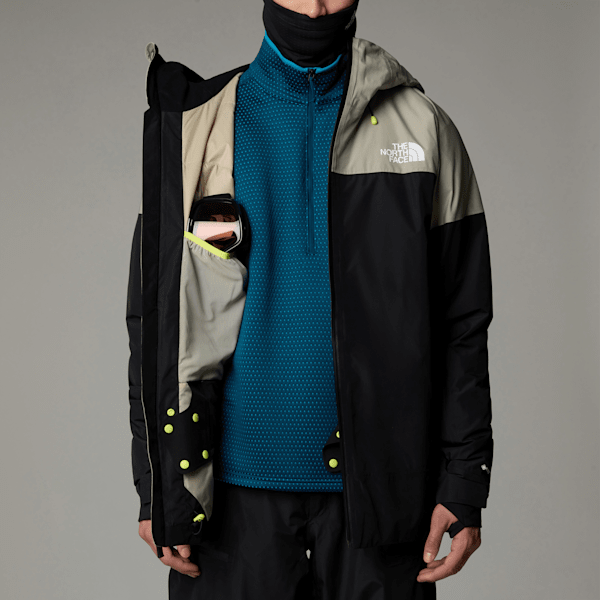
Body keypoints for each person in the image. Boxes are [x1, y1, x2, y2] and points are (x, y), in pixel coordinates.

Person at [126, 0, 494, 598]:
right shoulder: (195, 127)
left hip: (381, 503)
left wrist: (464, 479)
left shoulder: (422, 129)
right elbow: (156, 320)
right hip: (227, 506)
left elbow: (463, 320)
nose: (316, 5)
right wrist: (156, 483)